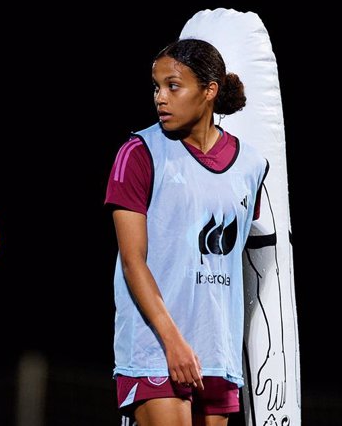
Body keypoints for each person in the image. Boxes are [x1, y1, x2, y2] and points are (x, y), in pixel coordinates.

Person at [104, 37, 269, 426]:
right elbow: (132, 262)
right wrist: (173, 343)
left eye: (173, 86)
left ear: (209, 91)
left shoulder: (251, 166)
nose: (161, 97)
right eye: (157, 87)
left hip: (217, 352)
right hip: (155, 349)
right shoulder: (139, 153)